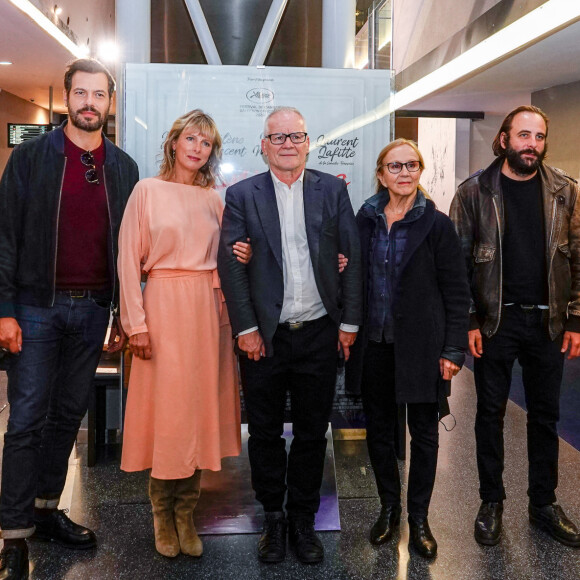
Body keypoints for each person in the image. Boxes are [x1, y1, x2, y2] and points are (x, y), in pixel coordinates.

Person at [0, 58, 139, 580]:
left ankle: (43, 508)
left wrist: (124, 313)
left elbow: (130, 250)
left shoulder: (123, 168)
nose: (89, 103)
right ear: (67, 98)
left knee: (66, 417)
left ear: (109, 102)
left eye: (99, 95)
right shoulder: (31, 159)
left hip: (93, 309)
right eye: (81, 93)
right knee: (27, 419)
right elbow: (5, 237)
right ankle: (13, 535)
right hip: (36, 307)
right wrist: (4, 310)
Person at [217, 106, 362, 564]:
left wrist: (349, 323)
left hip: (319, 331)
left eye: (295, 136)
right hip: (264, 336)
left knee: (312, 432)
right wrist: (246, 329)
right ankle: (273, 518)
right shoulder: (241, 194)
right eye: (277, 137)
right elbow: (232, 268)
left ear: (307, 142)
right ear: (263, 145)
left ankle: (303, 518)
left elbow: (350, 256)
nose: (286, 144)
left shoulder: (333, 190)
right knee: (262, 432)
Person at [118, 109, 250, 559]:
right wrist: (134, 324)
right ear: (174, 142)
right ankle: (162, 514)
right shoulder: (146, 192)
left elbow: (229, 260)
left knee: (197, 412)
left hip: (207, 312)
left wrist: (242, 254)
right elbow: (126, 261)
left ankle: (186, 513)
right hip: (161, 306)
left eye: (206, 142)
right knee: (168, 415)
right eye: (191, 138)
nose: (197, 148)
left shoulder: (217, 199)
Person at [450, 105, 580, 548]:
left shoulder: (567, 192)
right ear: (504, 139)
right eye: (523, 135)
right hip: (495, 322)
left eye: (539, 137)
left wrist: (576, 318)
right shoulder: (473, 193)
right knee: (489, 414)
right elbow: (458, 266)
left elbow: (578, 260)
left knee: (545, 416)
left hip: (548, 322)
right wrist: (468, 320)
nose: (532, 144)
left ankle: (543, 504)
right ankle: (492, 501)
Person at [345, 139, 470, 558]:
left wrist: (453, 350)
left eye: (411, 165)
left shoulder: (436, 225)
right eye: (395, 166)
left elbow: (457, 293)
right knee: (379, 433)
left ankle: (419, 518)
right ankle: (389, 509)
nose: (404, 172)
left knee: (424, 435)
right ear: (381, 174)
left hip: (422, 349)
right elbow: (346, 271)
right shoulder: (363, 220)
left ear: (420, 172)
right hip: (374, 346)